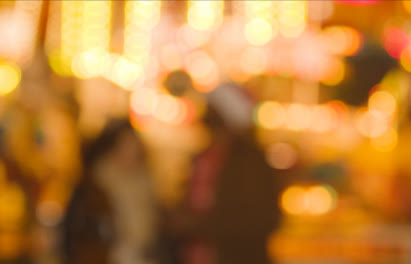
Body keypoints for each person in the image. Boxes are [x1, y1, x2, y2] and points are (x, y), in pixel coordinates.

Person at [163, 73, 280, 264]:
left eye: (212, 111)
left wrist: (196, 225)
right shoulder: (206, 154)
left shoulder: (248, 161)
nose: (205, 116)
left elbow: (253, 217)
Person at [62, 120, 159, 264]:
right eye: (125, 144)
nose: (131, 150)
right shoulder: (96, 184)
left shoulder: (146, 182)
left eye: (133, 144)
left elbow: (151, 227)